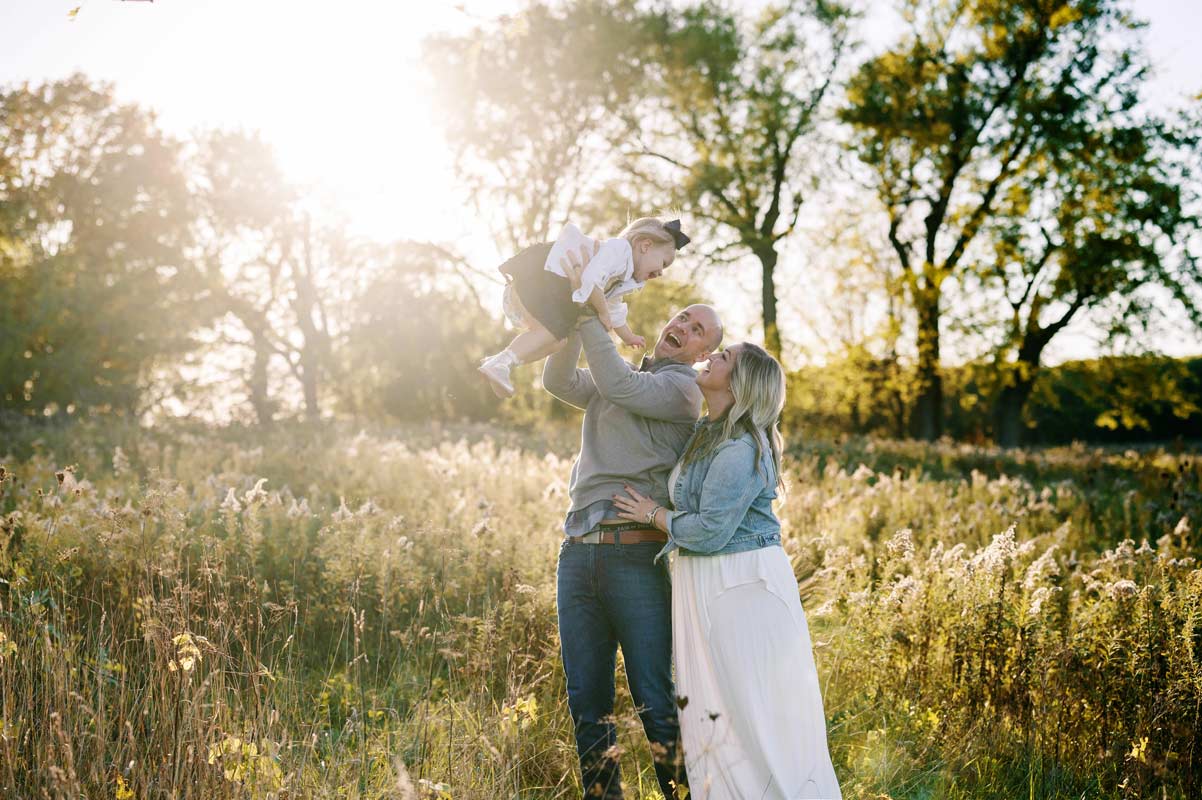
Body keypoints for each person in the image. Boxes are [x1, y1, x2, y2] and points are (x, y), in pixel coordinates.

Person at [612, 343, 842, 800]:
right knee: (716, 707)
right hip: (706, 581)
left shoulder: (739, 447)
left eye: (727, 356)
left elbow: (711, 530)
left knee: (753, 711)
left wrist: (652, 514)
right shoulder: (707, 432)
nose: (714, 354)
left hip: (740, 584)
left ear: (740, 385)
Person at [542, 272, 723, 799]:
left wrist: (590, 311)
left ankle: (685, 796)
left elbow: (618, 385)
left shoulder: (681, 390)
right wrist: (571, 321)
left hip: (634, 560)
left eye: (698, 331)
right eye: (683, 318)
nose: (684, 327)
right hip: (577, 555)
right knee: (587, 702)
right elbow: (558, 381)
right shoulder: (623, 372)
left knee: (654, 699)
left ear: (702, 354)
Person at [478, 217, 690, 398]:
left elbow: (614, 310)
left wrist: (628, 336)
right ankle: (500, 363)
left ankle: (501, 362)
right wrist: (603, 312)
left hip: (551, 291)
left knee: (558, 342)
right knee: (550, 332)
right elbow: (591, 280)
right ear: (645, 246)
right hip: (542, 277)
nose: (662, 273)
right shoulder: (618, 250)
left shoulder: (624, 277)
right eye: (663, 263)